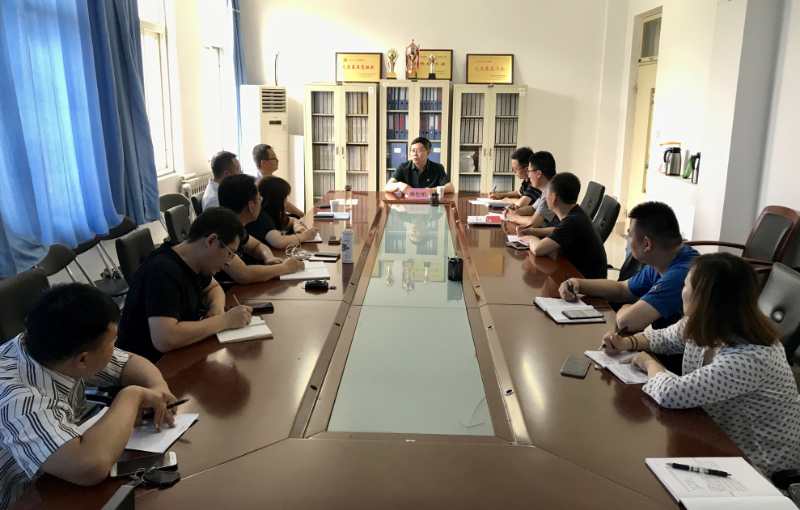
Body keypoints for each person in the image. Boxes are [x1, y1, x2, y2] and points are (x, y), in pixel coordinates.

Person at [602, 253, 800, 477]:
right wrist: (627, 342)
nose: (682, 290)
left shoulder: (750, 356)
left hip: (758, 465)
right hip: (716, 435)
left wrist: (648, 362)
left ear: (704, 298)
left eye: (686, 284)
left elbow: (670, 393)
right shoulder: (707, 323)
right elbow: (665, 338)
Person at [0, 284, 177, 508]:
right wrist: (132, 396)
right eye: (112, 343)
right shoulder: (20, 399)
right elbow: (88, 466)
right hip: (20, 497)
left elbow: (128, 363)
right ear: (83, 359)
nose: (115, 349)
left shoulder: (50, 346)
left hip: (53, 475)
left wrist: (158, 388)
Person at [118, 208, 254, 362]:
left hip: (180, 354)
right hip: (149, 365)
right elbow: (165, 339)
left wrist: (216, 309)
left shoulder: (195, 260)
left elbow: (214, 288)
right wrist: (225, 321)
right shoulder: (162, 270)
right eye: (230, 253)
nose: (228, 262)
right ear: (211, 241)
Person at [559, 201, 698, 333]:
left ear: (647, 244)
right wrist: (578, 283)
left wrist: (627, 307)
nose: (628, 239)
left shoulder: (681, 275)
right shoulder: (664, 258)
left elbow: (627, 322)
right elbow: (623, 289)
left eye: (629, 234)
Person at [217, 174, 304, 282]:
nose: (261, 202)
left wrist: (268, 257)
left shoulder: (235, 225)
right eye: (259, 198)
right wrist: (285, 268)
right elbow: (244, 274)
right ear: (251, 206)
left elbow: (256, 246)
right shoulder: (222, 231)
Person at [526, 172, 607, 279]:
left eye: (547, 194)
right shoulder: (576, 213)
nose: (545, 197)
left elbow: (538, 249)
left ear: (554, 197)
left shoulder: (572, 222)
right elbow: (557, 230)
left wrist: (528, 237)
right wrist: (532, 231)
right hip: (577, 274)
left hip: (585, 283)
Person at [248, 176, 320, 250]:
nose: (287, 201)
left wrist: (298, 227)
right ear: (277, 200)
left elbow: (292, 220)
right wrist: (305, 235)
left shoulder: (271, 213)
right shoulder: (261, 217)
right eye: (285, 198)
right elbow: (279, 242)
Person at [506, 151, 558, 237]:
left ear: (538, 174)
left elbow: (534, 223)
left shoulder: (551, 193)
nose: (528, 175)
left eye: (529, 171)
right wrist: (515, 211)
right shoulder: (547, 189)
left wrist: (513, 217)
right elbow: (532, 209)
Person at [385, 137, 454, 195]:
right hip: (408, 204)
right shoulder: (403, 167)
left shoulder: (438, 168)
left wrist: (432, 190)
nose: (415, 154)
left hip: (430, 204)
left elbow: (450, 188)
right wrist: (399, 185)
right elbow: (387, 187)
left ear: (428, 152)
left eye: (419, 151)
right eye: (413, 150)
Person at [251, 143, 303, 217]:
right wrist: (301, 215)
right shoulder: (258, 185)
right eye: (273, 158)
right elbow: (283, 204)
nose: (277, 160)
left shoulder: (273, 179)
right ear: (263, 163)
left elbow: (284, 203)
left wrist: (301, 214)